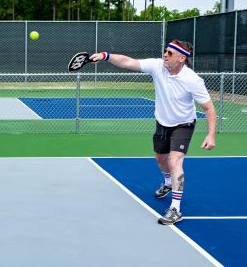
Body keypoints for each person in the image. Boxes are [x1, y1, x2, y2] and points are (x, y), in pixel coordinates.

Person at [90, 40, 216, 225]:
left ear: (182, 58)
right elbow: (128, 62)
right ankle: (167, 182)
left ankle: (175, 209)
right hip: (162, 122)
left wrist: (211, 134)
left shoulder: (193, 80)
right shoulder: (158, 66)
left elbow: (208, 108)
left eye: (170, 53)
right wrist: (105, 56)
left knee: (175, 161)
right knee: (160, 159)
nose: (165, 55)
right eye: (165, 51)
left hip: (183, 124)